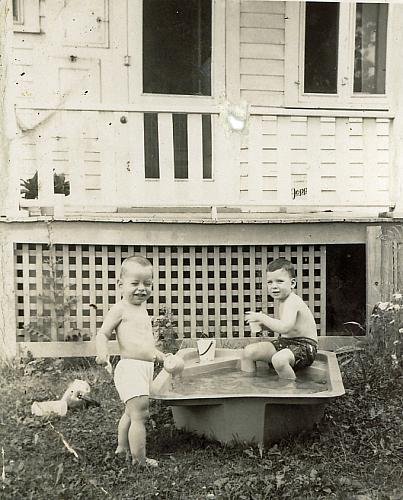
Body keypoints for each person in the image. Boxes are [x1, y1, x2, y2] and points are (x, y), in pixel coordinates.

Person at [95, 255, 167, 467]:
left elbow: (145, 344)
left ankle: (122, 447)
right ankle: (140, 459)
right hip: (130, 368)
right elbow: (103, 333)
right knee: (140, 414)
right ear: (120, 285)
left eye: (147, 283)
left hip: (144, 368)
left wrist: (159, 355)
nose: (141, 289)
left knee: (130, 411)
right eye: (134, 283)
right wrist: (102, 353)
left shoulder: (142, 309)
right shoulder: (120, 309)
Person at [241, 258, 318, 380]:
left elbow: (285, 328)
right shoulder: (283, 301)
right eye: (270, 282)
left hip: (305, 347)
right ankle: (249, 386)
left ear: (292, 283)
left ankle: (290, 392)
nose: (274, 286)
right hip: (285, 344)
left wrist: (262, 317)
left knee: (279, 360)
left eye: (279, 281)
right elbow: (287, 327)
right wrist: (262, 325)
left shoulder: (293, 301)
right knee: (248, 352)